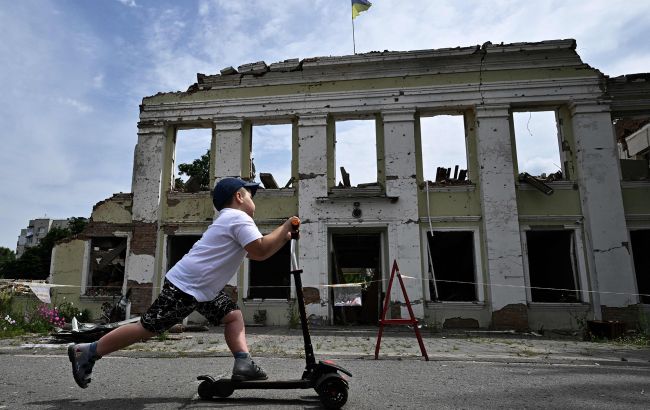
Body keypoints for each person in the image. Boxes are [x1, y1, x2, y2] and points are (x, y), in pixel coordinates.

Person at [68, 177, 298, 388]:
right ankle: (87, 351)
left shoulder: (229, 220)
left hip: (201, 289)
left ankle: (243, 362)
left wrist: (282, 237)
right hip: (188, 286)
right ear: (239, 196)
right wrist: (286, 225)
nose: (252, 200)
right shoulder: (239, 218)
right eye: (250, 195)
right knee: (146, 329)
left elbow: (258, 250)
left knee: (232, 315)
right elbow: (260, 250)